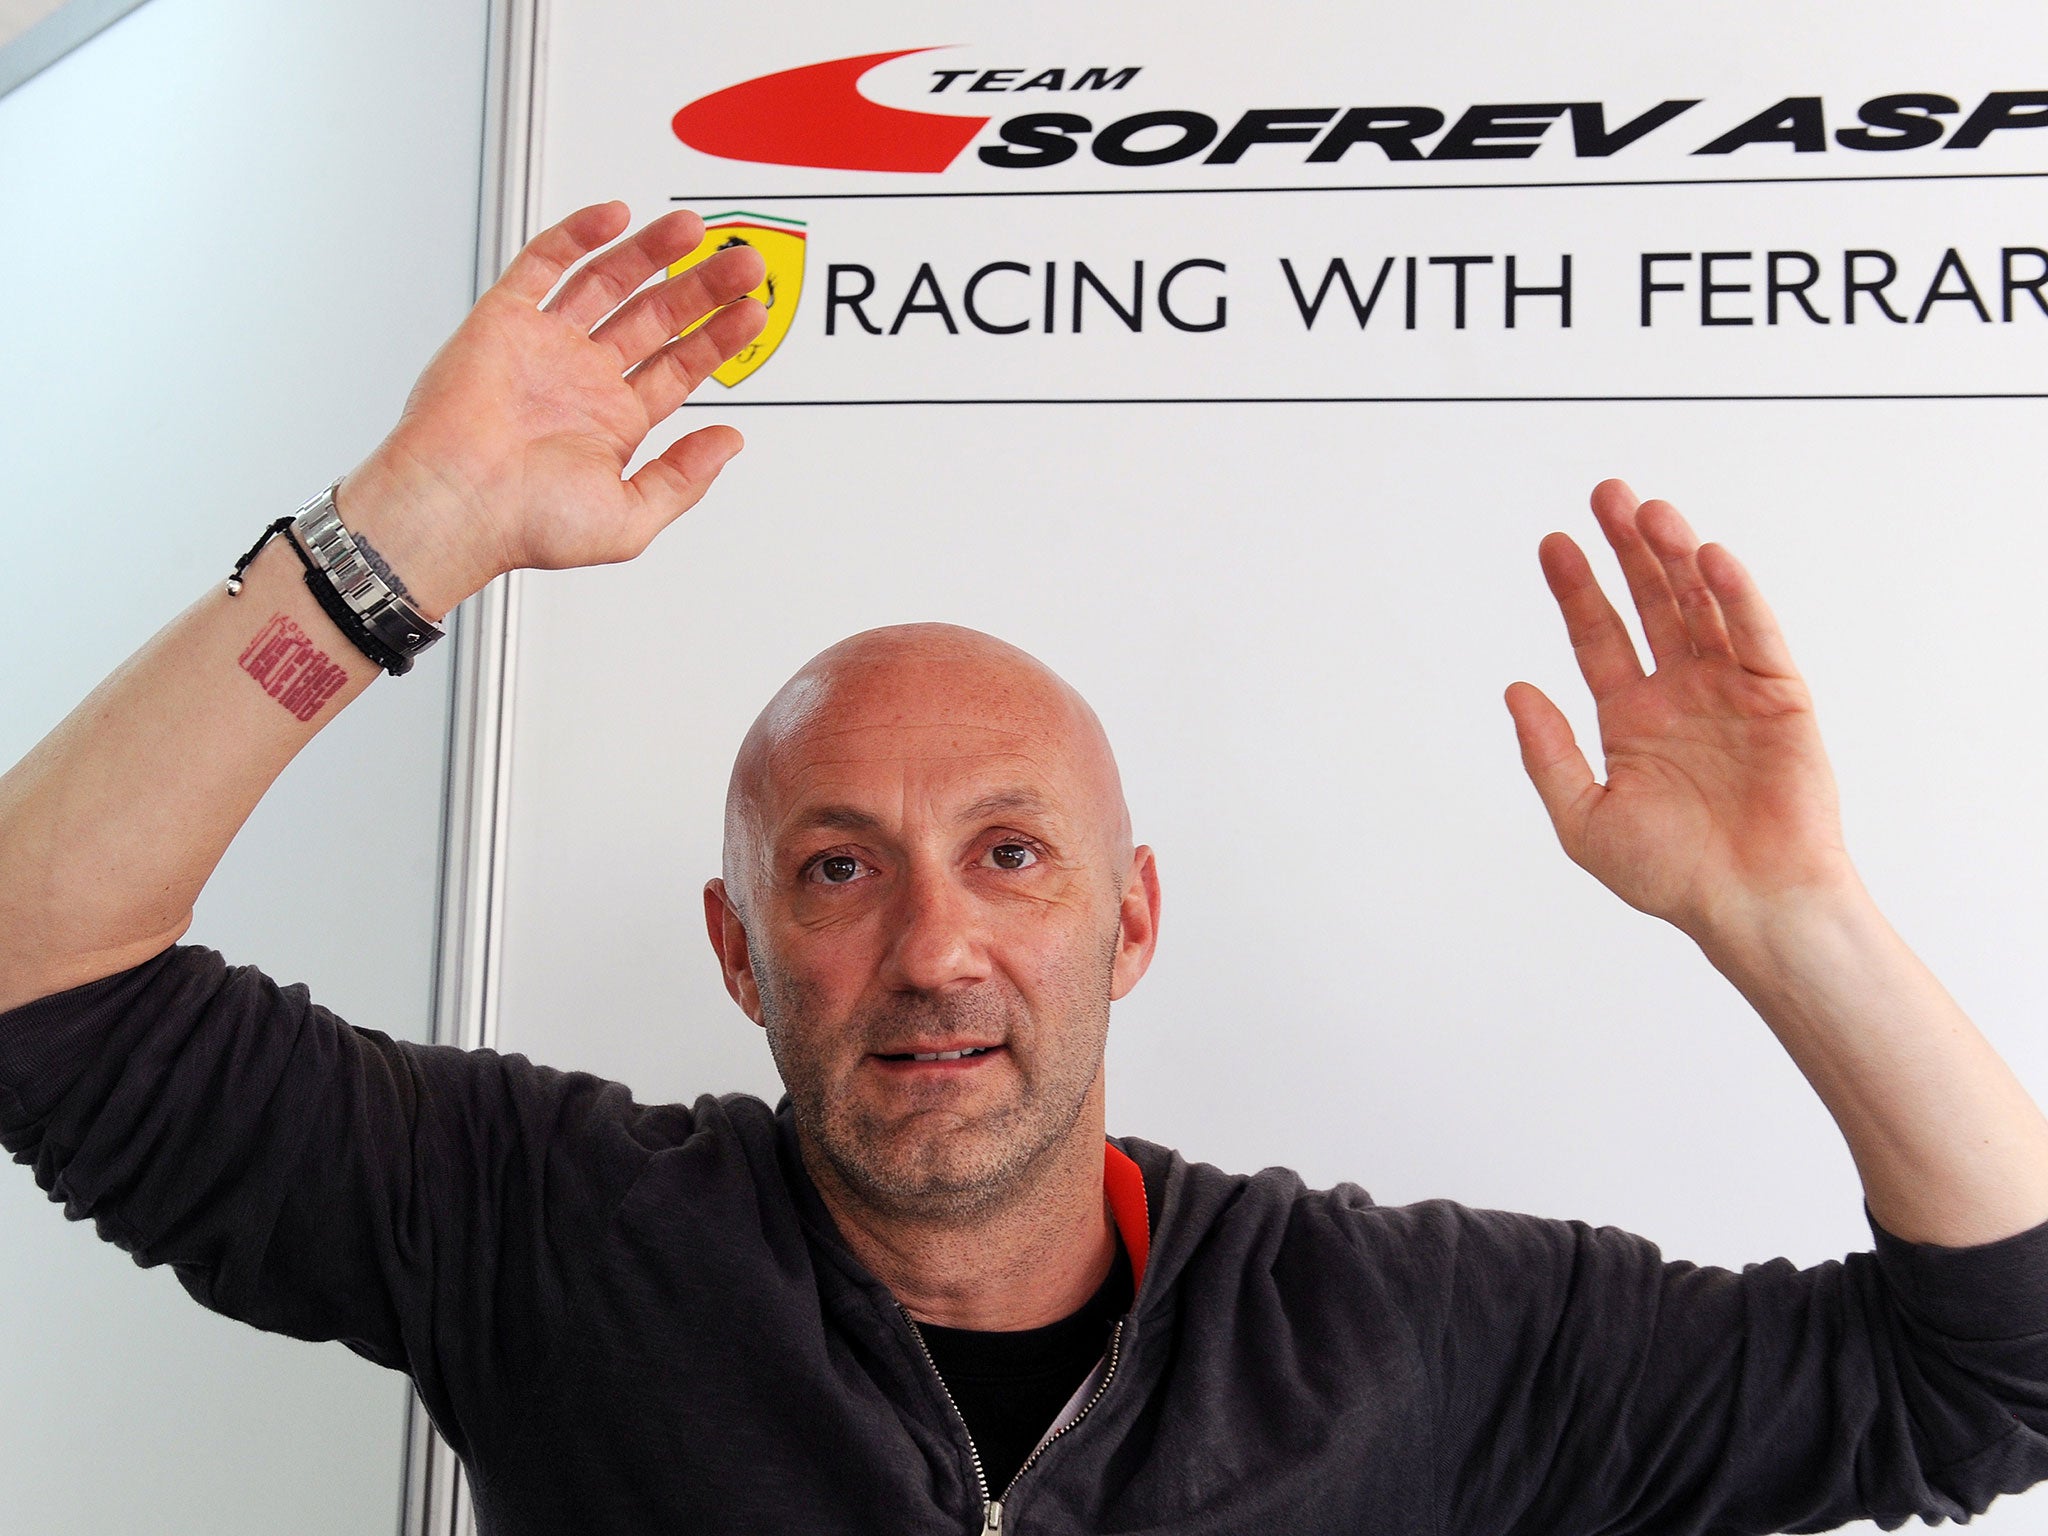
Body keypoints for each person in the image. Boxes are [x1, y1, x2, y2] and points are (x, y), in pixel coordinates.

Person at [2, 201, 2045, 1536]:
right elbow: (37, 972)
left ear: (1129, 919)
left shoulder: (1406, 1336)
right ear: (735, 951)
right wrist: (401, 539)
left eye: (1010, 855)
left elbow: (1990, 1375)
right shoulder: (543, 1236)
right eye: (833, 871)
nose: (933, 945)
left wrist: (1795, 923)